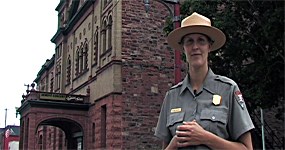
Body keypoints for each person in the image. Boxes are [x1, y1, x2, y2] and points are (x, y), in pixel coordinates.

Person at [154, 12, 255, 150]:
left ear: (209, 46)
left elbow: (247, 148)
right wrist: (175, 143)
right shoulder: (172, 96)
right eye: (189, 41)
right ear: (183, 48)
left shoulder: (228, 90)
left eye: (201, 40)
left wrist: (205, 138)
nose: (195, 47)